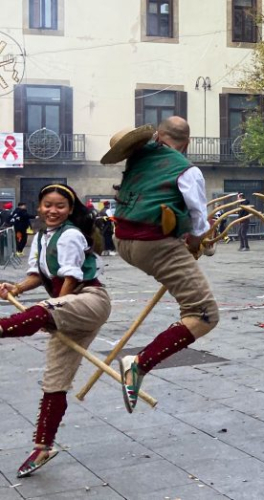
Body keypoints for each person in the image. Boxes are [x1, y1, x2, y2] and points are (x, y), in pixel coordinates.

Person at [100, 117, 219, 413]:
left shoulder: (138, 158)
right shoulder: (186, 169)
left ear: (158, 135)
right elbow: (199, 221)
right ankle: (139, 363)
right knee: (204, 314)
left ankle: (138, 364)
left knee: (194, 304)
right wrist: (202, 243)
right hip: (153, 245)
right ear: (187, 142)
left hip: (123, 242)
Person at [0, 184, 110, 478]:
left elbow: (71, 277)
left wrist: (55, 305)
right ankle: (43, 447)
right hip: (66, 305)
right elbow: (37, 274)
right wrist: (17, 288)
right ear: (39, 207)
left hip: (89, 300)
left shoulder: (71, 234)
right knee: (54, 380)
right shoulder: (41, 239)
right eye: (47, 205)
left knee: (42, 311)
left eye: (60, 206)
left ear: (70, 210)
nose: (53, 210)